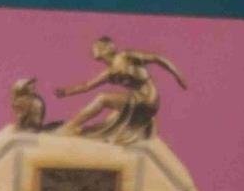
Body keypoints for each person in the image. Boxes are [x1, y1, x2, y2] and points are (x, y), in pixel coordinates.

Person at [54, 36, 187, 145]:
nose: (93, 49)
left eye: (96, 46)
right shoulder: (109, 72)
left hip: (147, 98)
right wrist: (66, 92)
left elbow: (157, 58)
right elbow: (87, 86)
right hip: (137, 101)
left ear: (106, 48)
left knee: (102, 98)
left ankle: (70, 127)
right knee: (108, 122)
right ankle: (78, 130)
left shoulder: (126, 56)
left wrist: (178, 75)